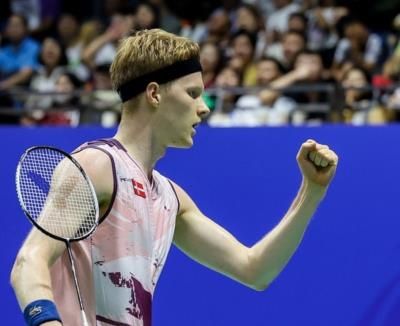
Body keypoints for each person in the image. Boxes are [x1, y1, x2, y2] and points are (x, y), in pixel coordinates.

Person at [11, 29, 339, 326]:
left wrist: (311, 192)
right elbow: (29, 263)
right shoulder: (97, 165)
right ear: (154, 94)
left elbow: (254, 269)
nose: (204, 107)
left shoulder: (169, 199)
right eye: (193, 93)